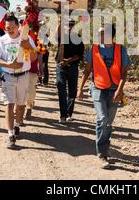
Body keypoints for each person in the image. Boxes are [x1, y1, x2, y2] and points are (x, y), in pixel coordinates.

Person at [77, 24, 131, 169]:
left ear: (109, 35)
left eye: (101, 33)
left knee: (108, 123)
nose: (98, 35)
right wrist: (80, 89)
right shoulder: (94, 49)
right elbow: (87, 70)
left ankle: (105, 148)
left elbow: (124, 73)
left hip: (114, 90)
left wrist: (119, 91)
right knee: (102, 119)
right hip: (98, 88)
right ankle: (102, 154)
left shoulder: (121, 50)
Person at [0, 16, 37, 149]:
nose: (9, 30)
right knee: (9, 105)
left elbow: (33, 58)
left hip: (23, 76)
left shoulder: (26, 39)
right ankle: (11, 135)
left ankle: (17, 125)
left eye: (12, 27)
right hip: (8, 76)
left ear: (18, 27)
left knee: (20, 104)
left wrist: (28, 46)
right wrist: (9, 64)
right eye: (7, 28)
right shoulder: (2, 40)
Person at [56, 18, 84, 123]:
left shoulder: (78, 38)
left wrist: (68, 61)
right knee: (61, 90)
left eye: (72, 25)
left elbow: (79, 55)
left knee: (72, 91)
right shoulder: (61, 37)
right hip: (60, 67)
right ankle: (63, 115)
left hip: (72, 67)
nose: (70, 26)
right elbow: (57, 32)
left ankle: (69, 114)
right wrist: (60, 20)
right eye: (68, 24)